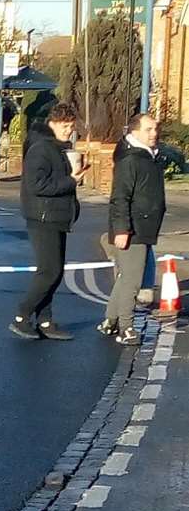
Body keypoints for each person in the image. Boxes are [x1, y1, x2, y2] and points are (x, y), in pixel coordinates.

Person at [14, 103, 86, 341]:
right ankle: (22, 316)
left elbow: (57, 179)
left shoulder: (57, 148)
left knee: (55, 271)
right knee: (49, 271)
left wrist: (73, 178)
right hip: (42, 216)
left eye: (71, 126)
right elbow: (37, 185)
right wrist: (71, 181)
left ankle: (45, 320)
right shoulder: (41, 149)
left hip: (56, 215)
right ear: (52, 123)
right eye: (65, 126)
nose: (69, 130)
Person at [99, 113, 165, 345]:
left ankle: (110, 320)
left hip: (144, 225)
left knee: (127, 277)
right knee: (132, 281)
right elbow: (120, 198)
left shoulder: (149, 157)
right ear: (135, 132)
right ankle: (126, 328)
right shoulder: (131, 160)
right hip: (133, 227)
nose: (154, 133)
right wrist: (121, 229)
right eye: (148, 129)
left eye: (155, 128)